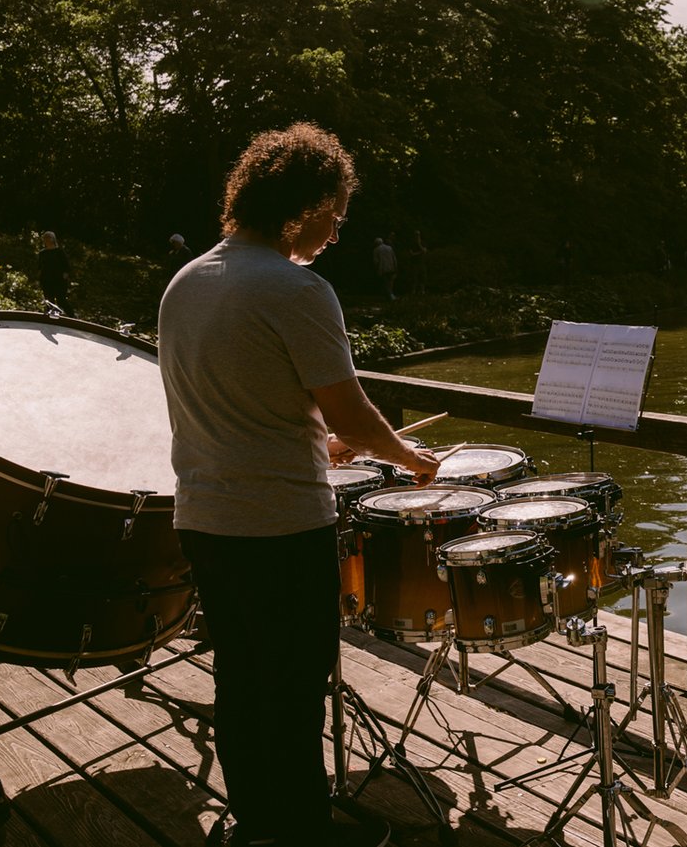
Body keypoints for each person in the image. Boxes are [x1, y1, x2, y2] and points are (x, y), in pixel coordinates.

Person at [158, 123, 439, 847]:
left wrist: (318, 442)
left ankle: (259, 825)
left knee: (241, 683)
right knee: (292, 694)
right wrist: (407, 456)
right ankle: (303, 831)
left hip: (205, 517)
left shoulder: (187, 282)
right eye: (336, 212)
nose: (338, 230)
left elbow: (244, 402)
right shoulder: (296, 287)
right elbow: (352, 406)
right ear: (304, 203)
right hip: (280, 527)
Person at [37, 231, 75, 316]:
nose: (47, 239)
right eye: (45, 238)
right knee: (49, 301)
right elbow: (40, 267)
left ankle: (72, 317)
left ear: (53, 239)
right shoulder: (42, 253)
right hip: (47, 280)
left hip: (59, 280)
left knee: (61, 300)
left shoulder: (59, 252)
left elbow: (67, 266)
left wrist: (65, 275)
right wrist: (40, 279)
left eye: (49, 237)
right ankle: (50, 318)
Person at [371, 236, 397, 300]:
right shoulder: (389, 248)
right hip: (391, 267)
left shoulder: (376, 250)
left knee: (385, 283)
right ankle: (390, 296)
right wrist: (395, 267)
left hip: (383, 269)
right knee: (390, 283)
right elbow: (394, 258)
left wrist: (377, 269)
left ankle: (391, 296)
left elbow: (376, 261)